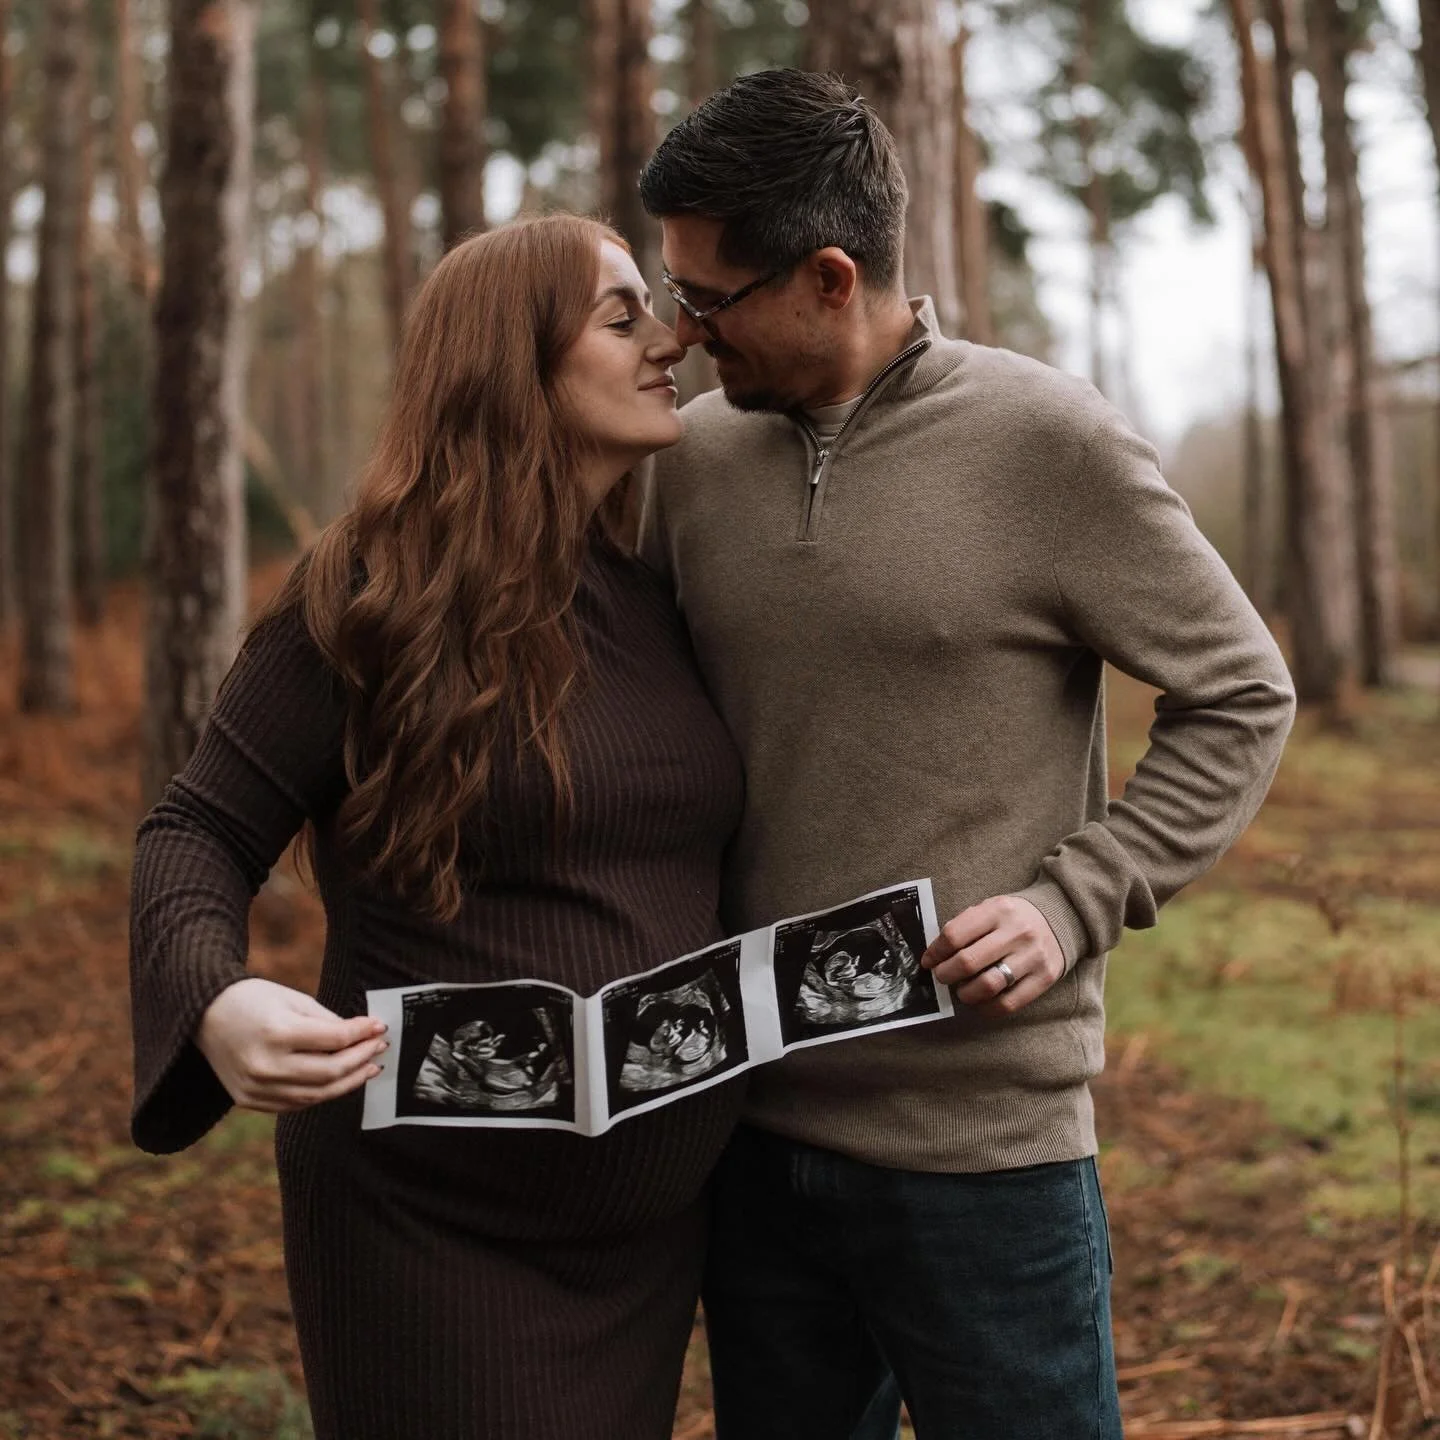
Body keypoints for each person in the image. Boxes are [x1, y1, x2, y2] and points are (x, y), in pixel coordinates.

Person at [637, 70, 1297, 1440]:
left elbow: (1240, 692)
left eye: (709, 300)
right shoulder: (684, 467)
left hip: (985, 1156)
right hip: (748, 1141)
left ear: (829, 278)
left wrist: (1076, 899)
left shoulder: (1047, 442)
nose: (684, 335)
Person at [127, 214, 746, 1440]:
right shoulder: (367, 594)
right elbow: (194, 828)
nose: (670, 337)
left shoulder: (655, 592)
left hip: (643, 1241)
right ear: (507, 364)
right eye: (620, 316)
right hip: (427, 1228)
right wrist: (215, 997)